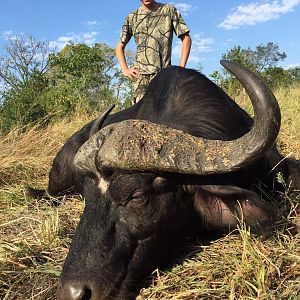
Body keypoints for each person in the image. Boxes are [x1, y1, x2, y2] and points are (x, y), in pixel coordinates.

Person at [116, 0, 192, 103]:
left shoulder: (168, 10)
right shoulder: (132, 17)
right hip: (141, 79)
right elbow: (119, 47)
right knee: (140, 116)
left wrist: (181, 69)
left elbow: (186, 38)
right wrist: (125, 70)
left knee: (165, 114)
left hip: (165, 76)